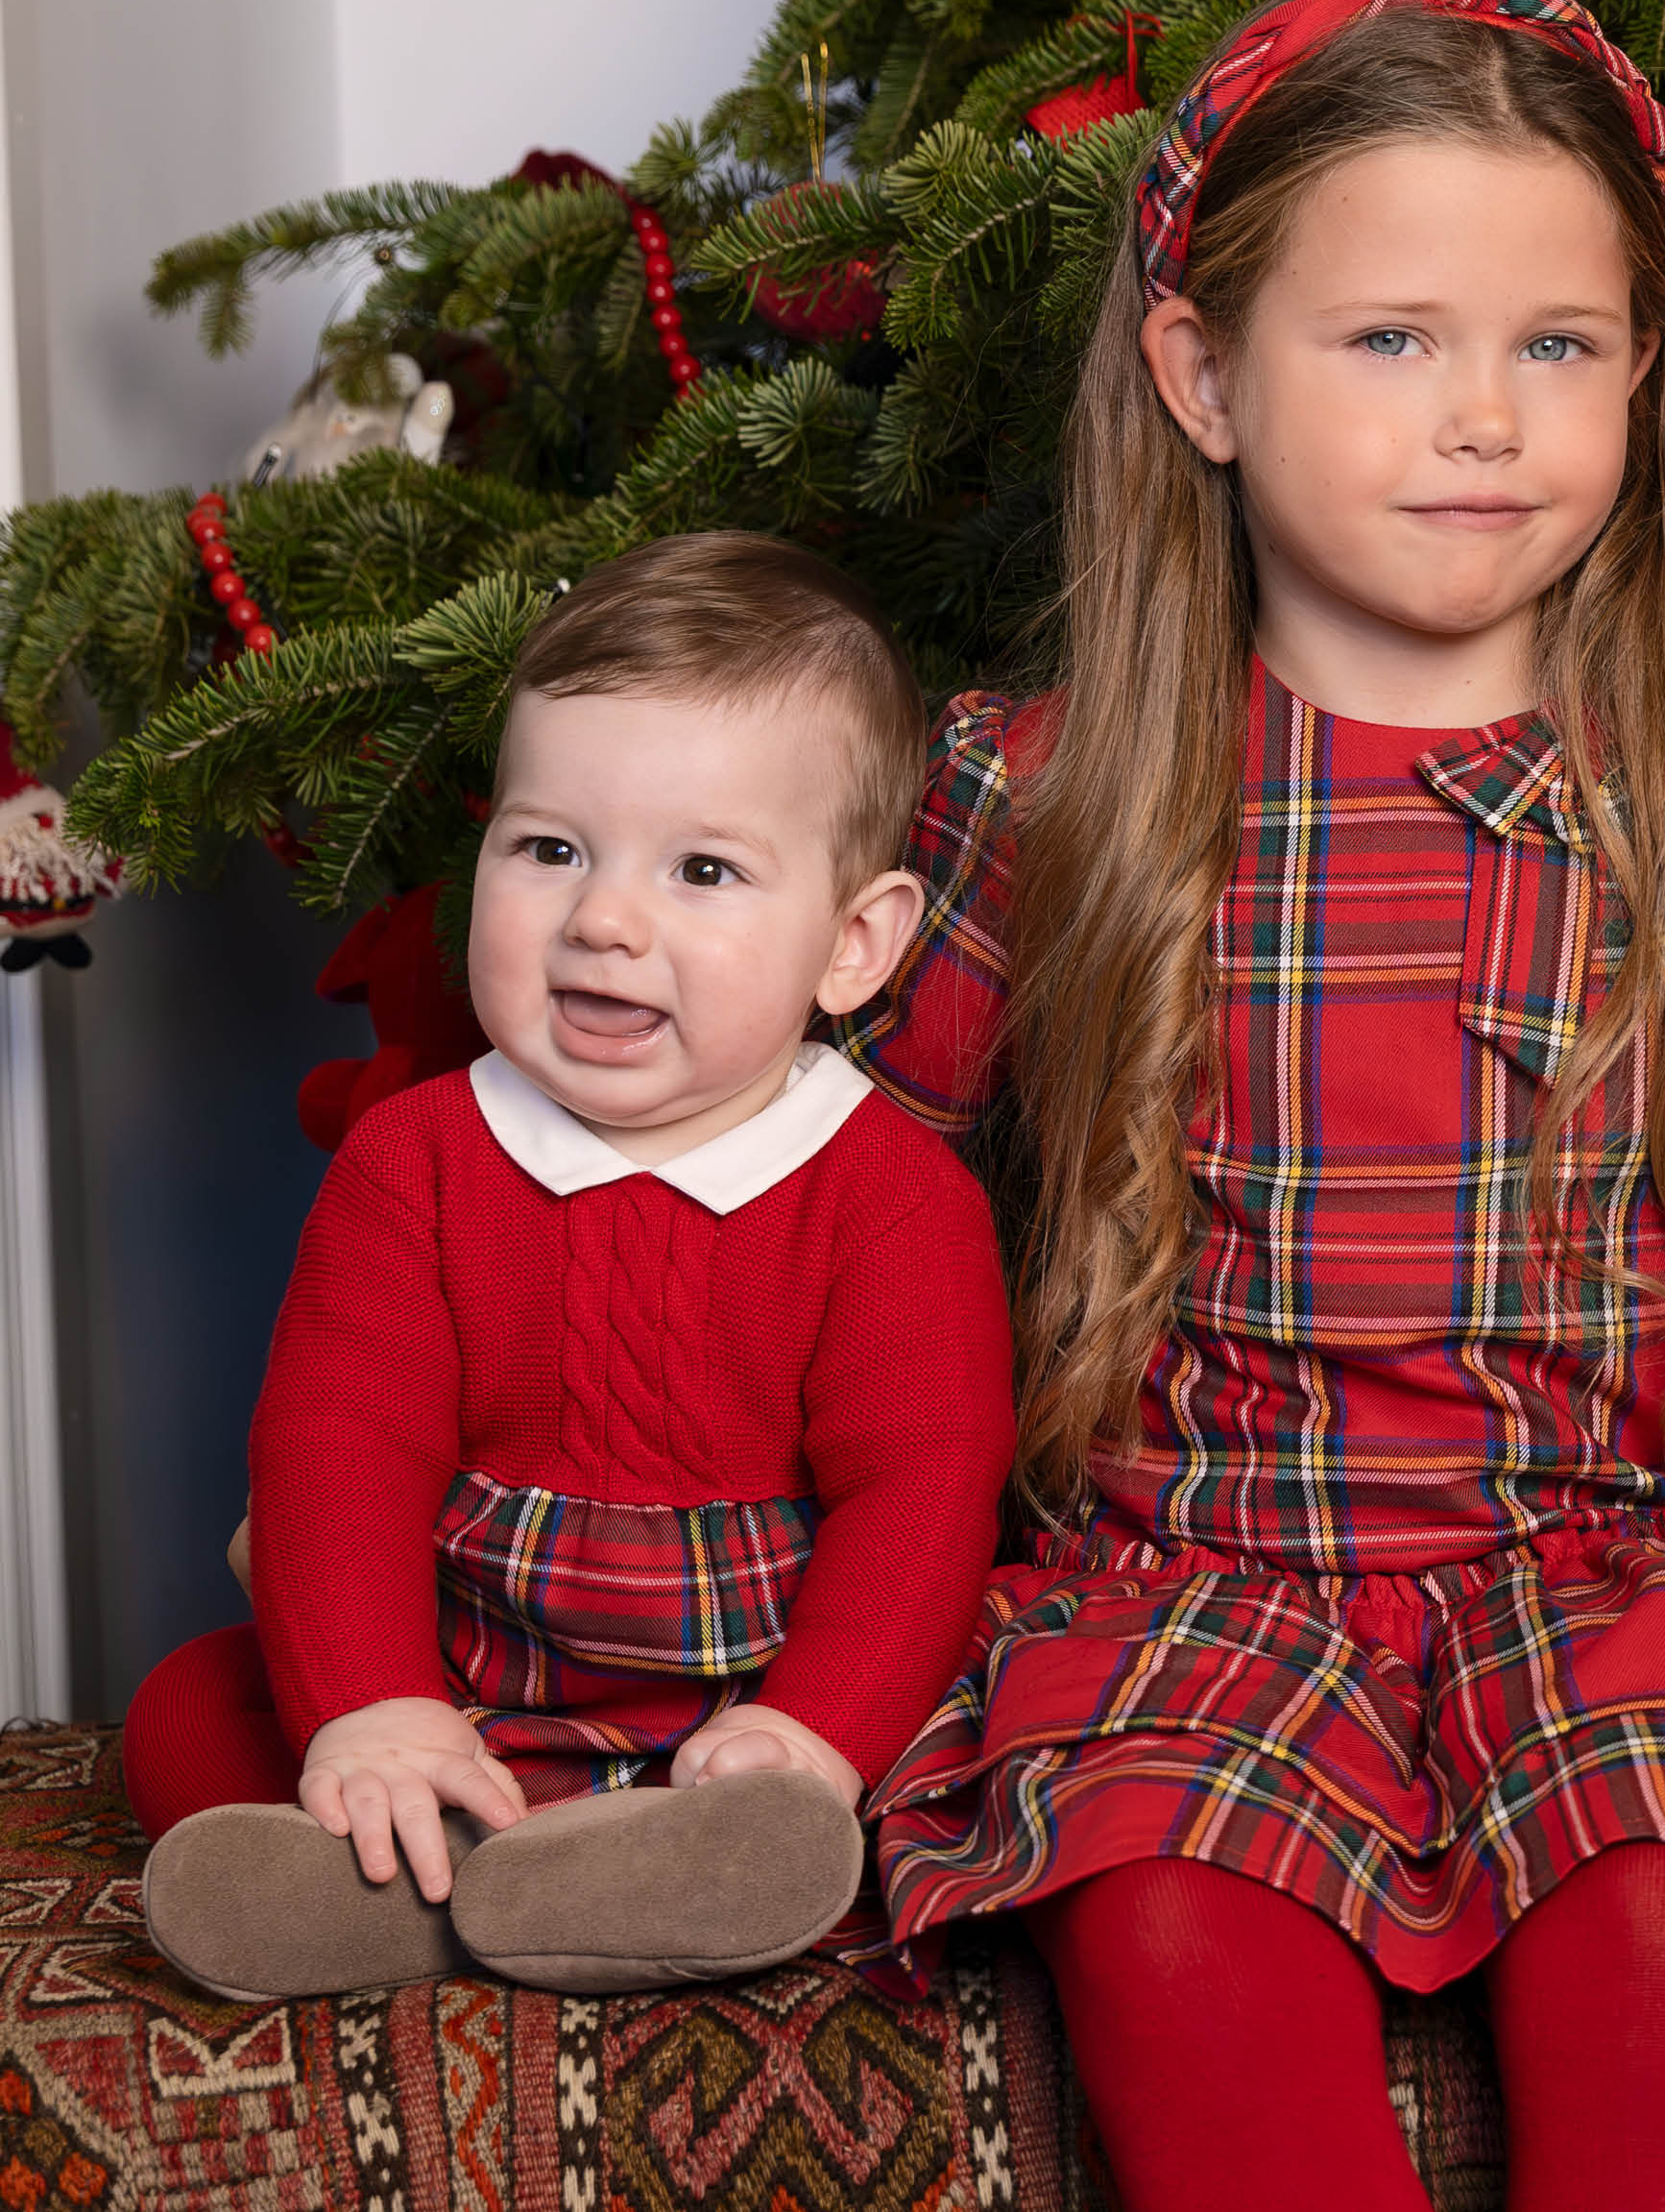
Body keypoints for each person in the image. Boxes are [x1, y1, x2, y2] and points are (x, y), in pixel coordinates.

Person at [832, 0, 1665, 2212]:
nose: (1485, 420)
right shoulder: (1039, 802)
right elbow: (833, 1235)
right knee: (1167, 1923)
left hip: (1616, 1561)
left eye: (1556, 344)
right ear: (1201, 374)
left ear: (1649, 374)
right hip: (1192, 1572)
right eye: (1391, 338)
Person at [125, 531, 1015, 2002]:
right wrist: (378, 1709)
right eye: (549, 849)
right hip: (481, 1691)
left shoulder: (890, 1196)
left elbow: (920, 1492)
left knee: (974, 1725)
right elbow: (337, 1447)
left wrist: (813, 1733)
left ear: (853, 945)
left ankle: (672, 1880)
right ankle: (441, 1880)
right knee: (192, 1710)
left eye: (704, 870)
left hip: (753, 1717)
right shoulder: (414, 1161)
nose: (603, 918)